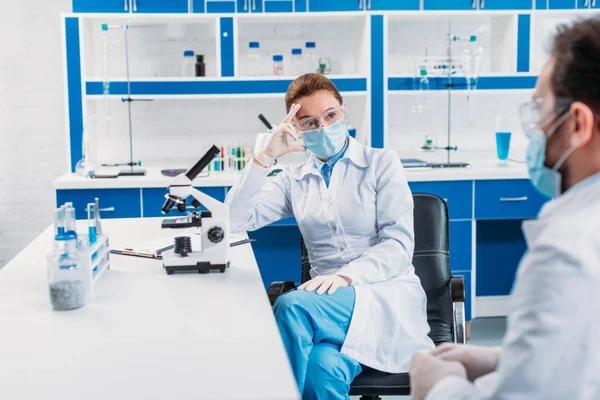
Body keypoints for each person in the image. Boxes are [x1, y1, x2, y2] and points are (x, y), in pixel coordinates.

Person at [409, 17, 600, 400]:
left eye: (541, 112)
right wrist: (504, 359)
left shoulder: (567, 252)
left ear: (578, 123)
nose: (537, 132)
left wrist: (439, 387)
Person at [225, 73, 435, 399]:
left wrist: (346, 277)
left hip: (384, 296)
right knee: (319, 373)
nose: (322, 128)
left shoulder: (381, 163)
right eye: (309, 122)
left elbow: (398, 245)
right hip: (327, 307)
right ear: (296, 128)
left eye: (330, 115)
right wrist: (263, 158)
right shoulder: (292, 179)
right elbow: (233, 222)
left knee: (291, 307)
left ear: (343, 111)